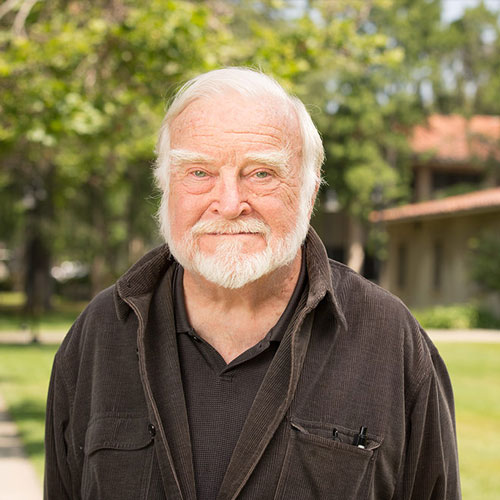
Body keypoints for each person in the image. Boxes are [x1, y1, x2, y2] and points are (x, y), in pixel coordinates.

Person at [44, 67, 461, 500]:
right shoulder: (99, 333)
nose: (228, 205)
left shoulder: (390, 339)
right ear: (166, 187)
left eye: (261, 173)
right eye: (199, 173)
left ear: (309, 190)